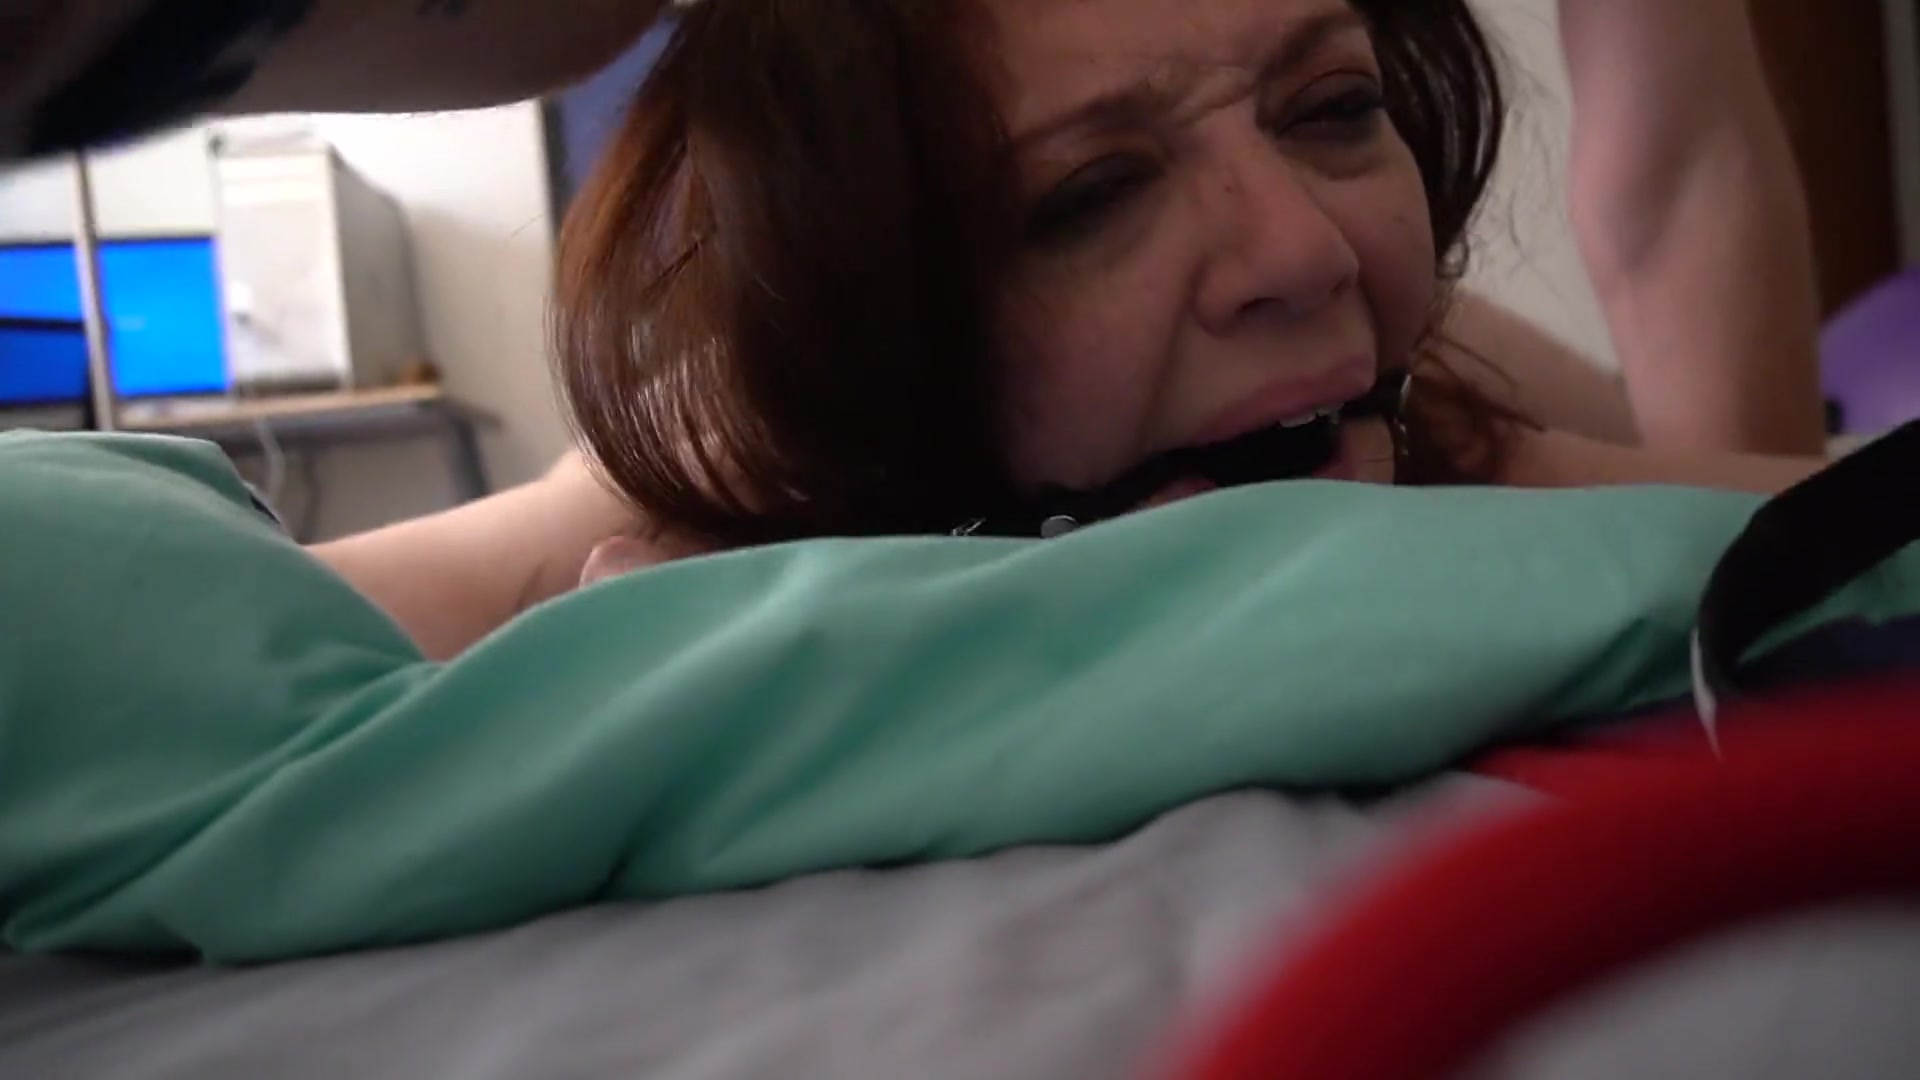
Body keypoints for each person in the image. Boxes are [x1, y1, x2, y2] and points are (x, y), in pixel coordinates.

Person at [2, 0, 1830, 659]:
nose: (1303, 254)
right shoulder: (747, 451)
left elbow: (1786, 506)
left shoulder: (1436, 414)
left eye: (1337, 108)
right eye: (1086, 196)